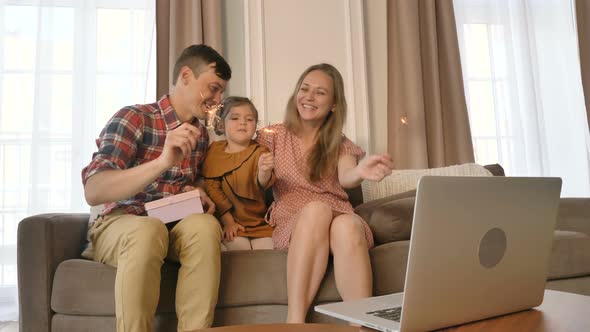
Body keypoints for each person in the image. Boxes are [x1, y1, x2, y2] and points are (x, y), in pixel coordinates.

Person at [81, 44, 231, 332]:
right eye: (213, 88)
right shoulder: (135, 118)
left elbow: (193, 179)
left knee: (205, 227)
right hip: (122, 222)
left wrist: (198, 190)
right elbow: (95, 189)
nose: (218, 99)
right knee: (147, 230)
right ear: (186, 76)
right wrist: (162, 161)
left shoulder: (200, 135)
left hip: (171, 223)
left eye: (221, 91)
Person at [255, 63, 394, 323]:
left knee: (348, 226)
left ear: (333, 104)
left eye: (320, 92)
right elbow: (252, 180)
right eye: (304, 89)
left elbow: (346, 177)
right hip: (294, 216)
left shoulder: (340, 143)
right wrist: (261, 173)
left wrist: (362, 170)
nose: (308, 96)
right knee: (316, 210)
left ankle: (360, 325)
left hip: (337, 210)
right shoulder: (271, 136)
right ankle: (295, 323)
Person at [202, 96, 275, 251]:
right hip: (229, 221)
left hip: (258, 222)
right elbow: (213, 190)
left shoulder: (260, 151)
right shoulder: (215, 151)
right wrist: (228, 222)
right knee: (238, 247)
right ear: (221, 124)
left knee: (268, 249)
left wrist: (264, 171)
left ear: (256, 125)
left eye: (249, 119)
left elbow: (262, 185)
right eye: (235, 118)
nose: (242, 122)